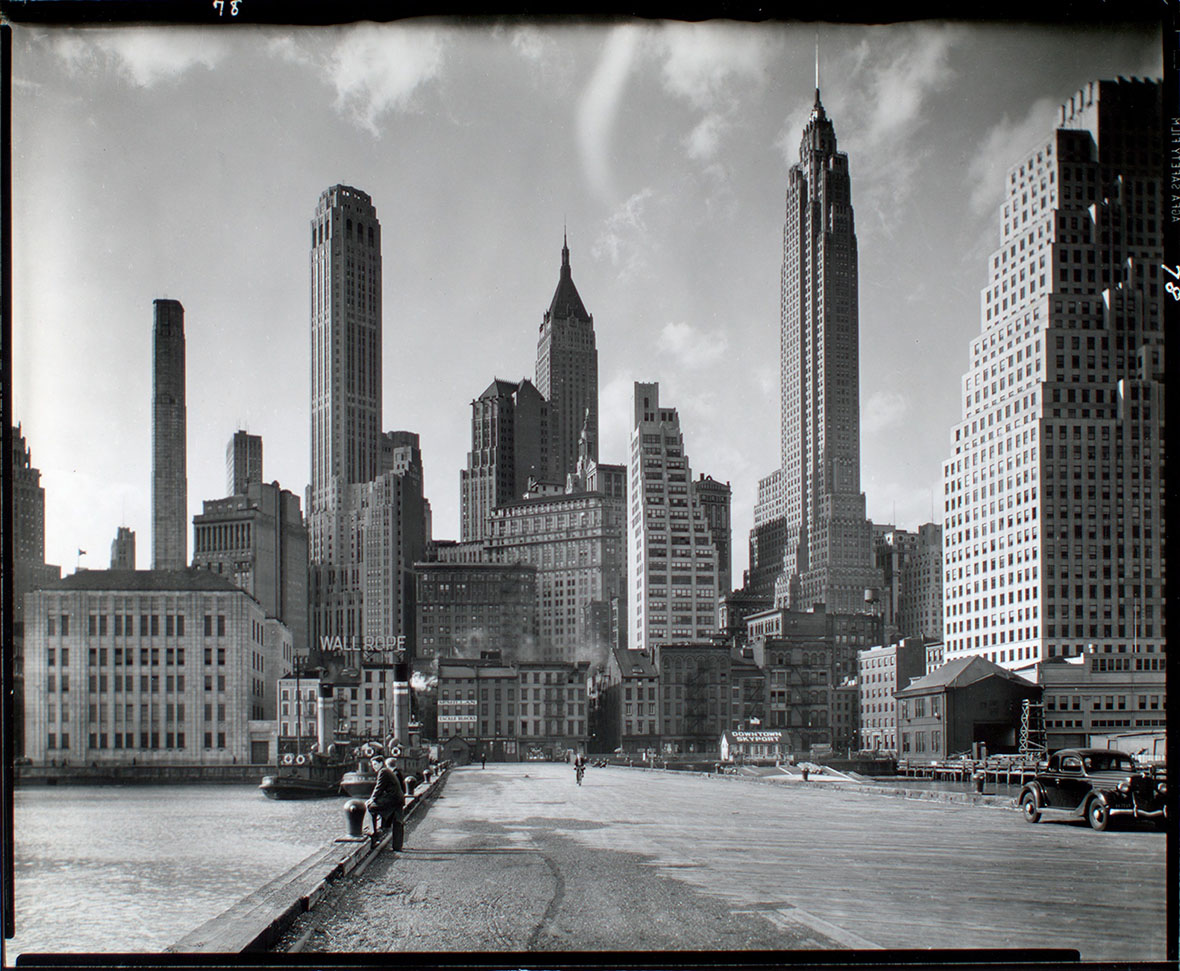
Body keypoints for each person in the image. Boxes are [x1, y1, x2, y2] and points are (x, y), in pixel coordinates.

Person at [365, 756, 405, 851]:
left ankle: (373, 834)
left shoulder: (383, 772)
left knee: (371, 808)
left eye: (375, 764)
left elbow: (379, 787)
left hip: (393, 800)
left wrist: (372, 799)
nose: (373, 767)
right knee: (398, 821)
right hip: (398, 799)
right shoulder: (387, 771)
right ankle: (397, 846)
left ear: (381, 763)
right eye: (372, 765)